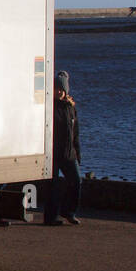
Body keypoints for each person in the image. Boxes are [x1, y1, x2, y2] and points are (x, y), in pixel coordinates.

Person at [45, 69, 82, 225]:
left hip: (68, 153)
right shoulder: (49, 108)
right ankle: (50, 218)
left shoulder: (70, 107)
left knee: (77, 181)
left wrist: (78, 154)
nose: (58, 92)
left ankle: (69, 212)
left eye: (61, 89)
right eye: (56, 89)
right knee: (52, 187)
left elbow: (75, 134)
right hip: (53, 154)